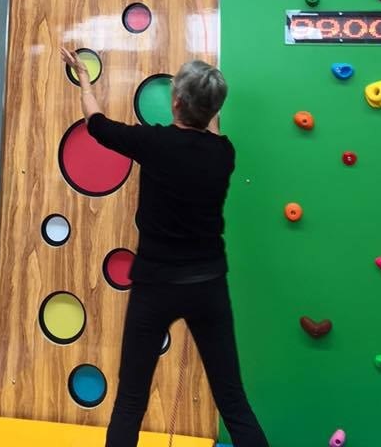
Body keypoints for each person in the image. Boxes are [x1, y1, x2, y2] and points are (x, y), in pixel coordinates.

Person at [59, 47, 270, 447]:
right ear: (212, 110)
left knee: (131, 401)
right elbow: (207, 125)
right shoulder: (224, 152)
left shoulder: (152, 143)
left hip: (155, 288)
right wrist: (205, 101)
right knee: (233, 401)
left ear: (175, 101)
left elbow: (96, 123)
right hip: (208, 287)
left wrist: (84, 79)